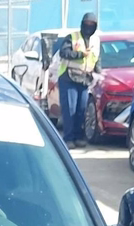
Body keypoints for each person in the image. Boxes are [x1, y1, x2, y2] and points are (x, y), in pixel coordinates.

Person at [54, 14, 100, 147]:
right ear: (82, 23)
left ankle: (79, 137)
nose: (89, 26)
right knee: (70, 109)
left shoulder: (95, 41)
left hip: (84, 79)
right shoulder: (72, 37)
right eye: (87, 23)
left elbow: (97, 58)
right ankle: (69, 138)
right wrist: (80, 54)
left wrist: (99, 71)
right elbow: (64, 53)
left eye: (92, 24)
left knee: (81, 109)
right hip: (68, 77)